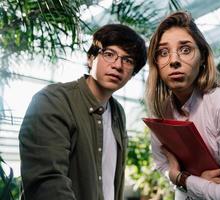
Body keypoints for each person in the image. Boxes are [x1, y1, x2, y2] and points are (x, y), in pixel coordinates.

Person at [145, 11, 220, 200]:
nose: (174, 60)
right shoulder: (161, 111)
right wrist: (186, 179)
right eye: (163, 52)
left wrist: (184, 179)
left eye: (185, 49)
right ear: (156, 62)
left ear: (202, 57)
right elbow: (164, 166)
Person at [19, 24, 147, 200]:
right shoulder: (53, 100)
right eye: (109, 54)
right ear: (90, 58)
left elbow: (111, 181)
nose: (118, 65)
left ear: (133, 72)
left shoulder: (118, 112)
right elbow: (48, 184)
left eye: (128, 60)